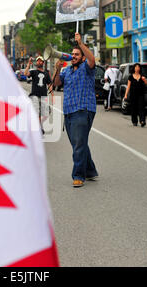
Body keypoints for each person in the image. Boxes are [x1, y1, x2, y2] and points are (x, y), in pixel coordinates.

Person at [54, 33, 98, 188]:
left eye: (77, 54)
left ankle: (78, 175)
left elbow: (92, 60)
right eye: (72, 54)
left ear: (82, 57)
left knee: (79, 143)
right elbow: (56, 83)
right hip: (69, 111)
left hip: (84, 109)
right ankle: (91, 170)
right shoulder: (67, 71)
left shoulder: (87, 68)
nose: (73, 56)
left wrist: (81, 43)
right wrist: (57, 69)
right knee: (77, 143)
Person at [25, 56, 52, 134]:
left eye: (41, 61)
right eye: (38, 61)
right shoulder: (34, 72)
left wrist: (52, 94)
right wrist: (28, 65)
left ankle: (37, 124)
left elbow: (49, 84)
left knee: (47, 112)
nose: (39, 62)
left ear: (43, 63)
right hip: (34, 96)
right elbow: (26, 73)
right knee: (38, 113)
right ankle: (39, 128)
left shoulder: (46, 73)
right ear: (36, 63)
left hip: (43, 96)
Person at [123, 63, 147, 127]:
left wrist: (144, 79)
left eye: (138, 67)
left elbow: (146, 83)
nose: (137, 68)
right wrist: (126, 95)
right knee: (134, 108)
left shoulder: (142, 75)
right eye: (136, 67)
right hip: (133, 94)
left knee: (141, 107)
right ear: (134, 68)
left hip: (141, 94)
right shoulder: (130, 77)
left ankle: (142, 121)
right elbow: (128, 86)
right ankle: (134, 121)